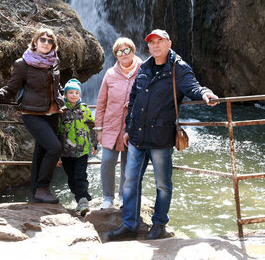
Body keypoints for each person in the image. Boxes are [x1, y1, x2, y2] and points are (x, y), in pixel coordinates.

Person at [106, 29, 218, 241]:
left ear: (169, 43)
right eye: (152, 42)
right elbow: (134, 99)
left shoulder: (179, 67)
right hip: (137, 137)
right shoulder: (144, 67)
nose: (155, 45)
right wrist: (129, 128)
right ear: (148, 46)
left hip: (160, 137)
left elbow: (192, 86)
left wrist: (204, 93)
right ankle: (129, 225)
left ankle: (159, 224)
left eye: (160, 41)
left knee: (162, 183)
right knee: (130, 181)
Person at [0, 28, 64, 204]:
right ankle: (43, 188)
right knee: (55, 148)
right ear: (35, 41)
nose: (46, 43)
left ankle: (36, 192)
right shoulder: (22, 64)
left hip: (53, 113)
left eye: (50, 41)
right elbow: (10, 89)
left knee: (42, 151)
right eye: (43, 39)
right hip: (32, 113)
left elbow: (56, 85)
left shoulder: (54, 61)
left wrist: (65, 99)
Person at [95, 37, 143, 210]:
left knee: (128, 164)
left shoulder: (144, 70)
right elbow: (101, 103)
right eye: (119, 52)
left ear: (133, 50)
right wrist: (98, 129)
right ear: (115, 55)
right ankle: (107, 197)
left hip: (133, 126)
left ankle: (124, 197)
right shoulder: (110, 74)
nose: (124, 54)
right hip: (110, 126)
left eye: (127, 50)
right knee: (107, 161)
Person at [58, 78, 97, 216]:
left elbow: (92, 127)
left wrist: (95, 143)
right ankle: (80, 198)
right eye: (71, 93)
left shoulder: (85, 109)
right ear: (65, 95)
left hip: (82, 150)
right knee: (71, 177)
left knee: (80, 175)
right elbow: (57, 131)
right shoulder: (61, 112)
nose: (74, 95)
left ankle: (83, 200)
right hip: (66, 152)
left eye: (76, 92)